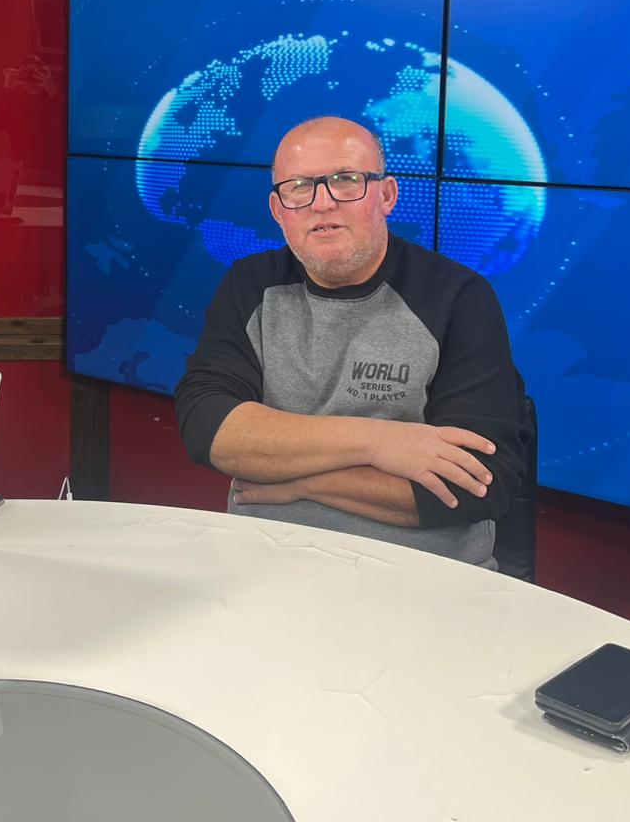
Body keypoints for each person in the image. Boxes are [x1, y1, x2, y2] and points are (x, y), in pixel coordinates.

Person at [174, 116, 529, 568]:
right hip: (264, 564)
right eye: (299, 187)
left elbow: (474, 484)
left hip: (419, 579)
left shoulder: (458, 298)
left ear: (387, 195)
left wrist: (301, 482)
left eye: (346, 180)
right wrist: (380, 443)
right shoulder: (250, 285)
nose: (322, 203)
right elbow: (209, 429)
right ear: (279, 210)